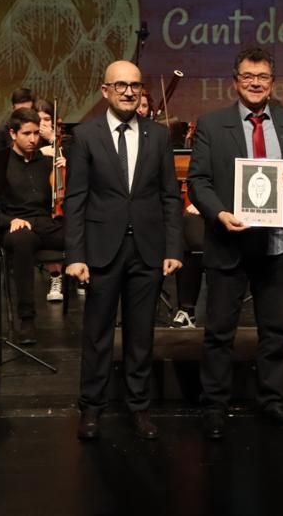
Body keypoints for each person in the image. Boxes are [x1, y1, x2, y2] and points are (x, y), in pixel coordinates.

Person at [187, 47, 283, 439]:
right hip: (230, 242)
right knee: (219, 331)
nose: (256, 83)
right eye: (248, 76)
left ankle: (272, 401)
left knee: (274, 331)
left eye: (262, 77)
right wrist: (219, 214)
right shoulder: (212, 124)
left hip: (275, 244)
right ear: (235, 81)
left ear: (272, 83)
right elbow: (198, 181)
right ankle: (214, 406)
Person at [64, 60, 183, 441]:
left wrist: (173, 247)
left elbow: (170, 196)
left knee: (140, 335)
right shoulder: (86, 135)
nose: (129, 91)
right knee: (97, 333)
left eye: (135, 85)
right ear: (105, 91)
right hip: (101, 250)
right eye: (121, 85)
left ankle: (139, 408)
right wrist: (75, 255)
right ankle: (92, 408)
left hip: (147, 249)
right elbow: (76, 199)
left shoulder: (158, 135)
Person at [0, 108, 66, 345]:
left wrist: (67, 170)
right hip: (16, 227)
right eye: (27, 133)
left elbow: (64, 198)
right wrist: (11, 221)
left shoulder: (48, 161)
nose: (33, 139)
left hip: (45, 224)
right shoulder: (0, 163)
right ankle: (26, 320)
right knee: (22, 240)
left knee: (83, 233)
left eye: (37, 133)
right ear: (12, 133)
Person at [0, 88, 35, 155]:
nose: (23, 116)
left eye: (27, 111)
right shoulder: (1, 131)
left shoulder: (38, 127)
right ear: (13, 109)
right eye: (19, 111)